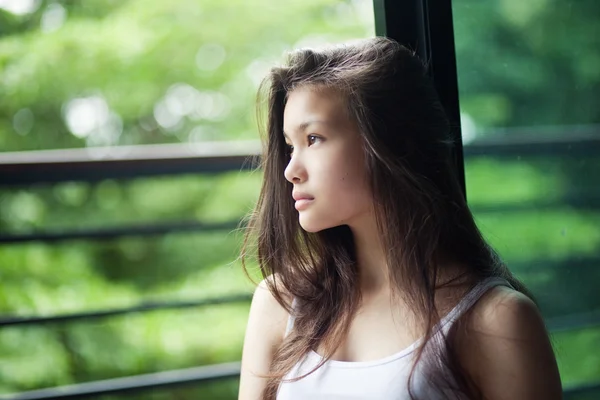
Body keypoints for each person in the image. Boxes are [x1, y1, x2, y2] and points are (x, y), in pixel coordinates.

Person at [238, 36, 562, 400]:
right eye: (290, 145)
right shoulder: (279, 303)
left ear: (389, 141)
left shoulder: (495, 320)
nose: (290, 170)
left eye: (313, 138)